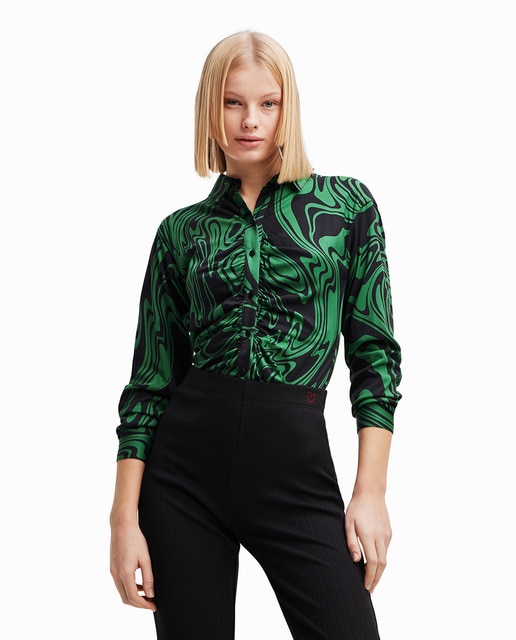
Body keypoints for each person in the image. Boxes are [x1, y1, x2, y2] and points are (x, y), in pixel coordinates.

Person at [109, 30, 402, 640]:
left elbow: (375, 356)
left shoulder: (345, 209)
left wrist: (370, 492)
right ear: (209, 110)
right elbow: (149, 382)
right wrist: (122, 520)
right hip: (183, 479)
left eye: (268, 103)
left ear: (287, 107)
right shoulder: (181, 232)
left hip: (295, 470)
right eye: (232, 102)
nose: (250, 121)